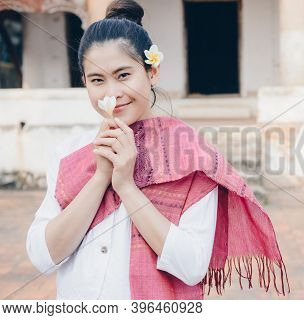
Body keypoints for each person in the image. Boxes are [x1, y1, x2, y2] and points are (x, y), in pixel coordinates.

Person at [26, 0, 289, 300]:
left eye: (124, 75)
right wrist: (100, 177)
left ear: (152, 72)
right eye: (97, 80)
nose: (112, 93)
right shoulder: (69, 153)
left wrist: (126, 186)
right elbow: (43, 257)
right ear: (84, 82)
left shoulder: (193, 157)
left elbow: (192, 267)